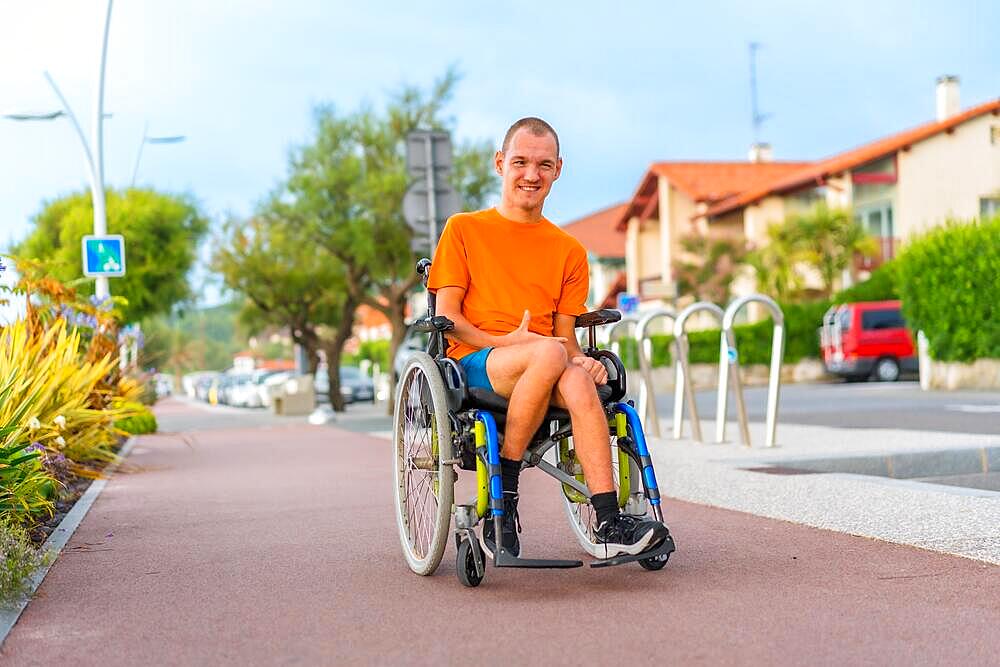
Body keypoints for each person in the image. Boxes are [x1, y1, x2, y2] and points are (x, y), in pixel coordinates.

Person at [428, 117, 668, 559]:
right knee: (546, 353)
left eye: (543, 164)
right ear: (500, 164)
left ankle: (608, 517)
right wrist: (509, 344)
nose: (531, 175)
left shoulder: (569, 251)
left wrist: (582, 360)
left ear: (558, 169)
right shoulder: (464, 229)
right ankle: (510, 486)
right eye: (520, 162)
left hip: (547, 360)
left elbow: (564, 340)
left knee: (577, 378)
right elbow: (448, 318)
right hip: (480, 361)